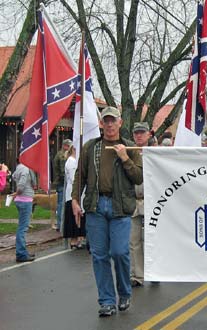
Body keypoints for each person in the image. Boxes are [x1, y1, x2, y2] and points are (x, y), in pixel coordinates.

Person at [72, 106, 143, 317]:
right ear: (102, 124)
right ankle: (107, 301)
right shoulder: (90, 147)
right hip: (96, 206)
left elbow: (138, 177)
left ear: (120, 123)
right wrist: (75, 199)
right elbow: (80, 176)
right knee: (99, 256)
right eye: (106, 121)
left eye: (113, 120)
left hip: (119, 207)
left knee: (120, 252)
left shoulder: (130, 148)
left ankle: (124, 293)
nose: (110, 124)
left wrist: (125, 158)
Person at [130, 122, 152, 287]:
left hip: (152, 200)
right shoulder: (128, 153)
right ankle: (138, 275)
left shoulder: (156, 154)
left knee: (152, 239)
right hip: (133, 201)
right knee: (134, 240)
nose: (139, 135)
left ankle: (155, 271)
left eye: (142, 133)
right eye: (136, 133)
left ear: (149, 134)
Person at [12, 161, 37, 262]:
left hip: (21, 200)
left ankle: (23, 252)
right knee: (22, 228)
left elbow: (13, 176)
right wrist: (17, 192)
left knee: (21, 226)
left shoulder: (19, 167)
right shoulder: (26, 169)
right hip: (25, 200)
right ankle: (21, 253)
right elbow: (21, 185)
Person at [63, 145, 86, 249]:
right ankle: (74, 239)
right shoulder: (71, 161)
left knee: (79, 215)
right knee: (74, 217)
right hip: (73, 193)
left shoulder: (74, 161)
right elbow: (73, 178)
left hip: (77, 193)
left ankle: (79, 237)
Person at [53, 139, 72, 231]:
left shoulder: (59, 154)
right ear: (65, 146)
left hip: (60, 182)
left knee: (61, 203)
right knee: (62, 204)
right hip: (62, 183)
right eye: (69, 146)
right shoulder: (63, 156)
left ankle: (60, 224)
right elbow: (63, 171)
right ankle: (61, 224)